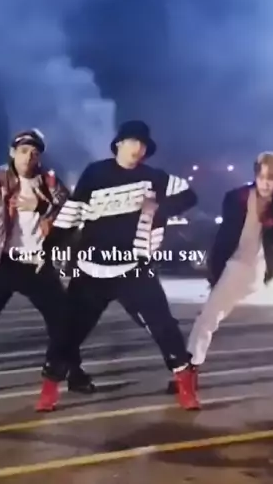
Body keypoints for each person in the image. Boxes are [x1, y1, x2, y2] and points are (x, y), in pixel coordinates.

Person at [35, 120, 198, 412]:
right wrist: (47, 251)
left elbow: (189, 195)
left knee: (163, 325)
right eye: (132, 142)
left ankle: (186, 386)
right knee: (68, 331)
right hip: (91, 270)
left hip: (134, 269)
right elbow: (71, 214)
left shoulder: (154, 177)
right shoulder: (95, 173)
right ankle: (49, 390)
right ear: (119, 144)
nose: (138, 149)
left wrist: (160, 210)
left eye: (143, 144)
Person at [0, 129, 94, 398]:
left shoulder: (50, 182)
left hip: (37, 263)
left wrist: (42, 207)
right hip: (1, 261)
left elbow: (69, 215)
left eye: (34, 153)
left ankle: (73, 370)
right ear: (13, 153)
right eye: (23, 151)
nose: (28, 157)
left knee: (63, 318)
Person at [179, 151, 273, 410]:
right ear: (255, 175)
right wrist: (215, 273)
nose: (266, 183)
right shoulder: (236, 198)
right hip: (238, 265)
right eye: (262, 177)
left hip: (272, 268)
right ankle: (188, 375)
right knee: (208, 318)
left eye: (272, 178)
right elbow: (223, 238)